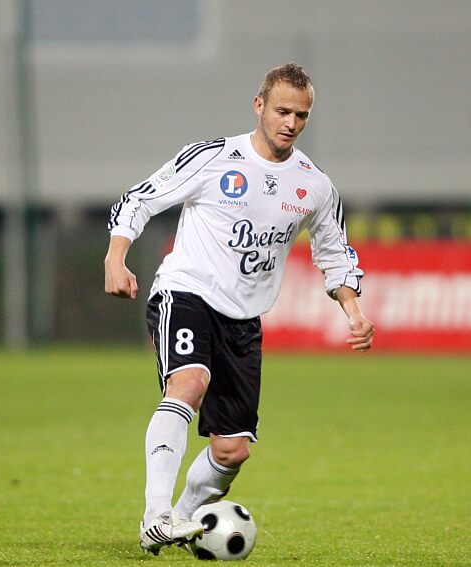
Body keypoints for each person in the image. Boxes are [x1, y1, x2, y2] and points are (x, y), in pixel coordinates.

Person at [104, 63, 374, 556]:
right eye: (282, 110)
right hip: (185, 292)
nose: (290, 122)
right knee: (189, 382)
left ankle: (179, 519)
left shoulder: (314, 186)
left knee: (232, 450)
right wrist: (115, 256)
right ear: (259, 106)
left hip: (244, 320)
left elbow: (334, 253)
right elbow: (141, 199)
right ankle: (157, 513)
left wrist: (353, 311)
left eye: (302, 115)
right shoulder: (214, 158)